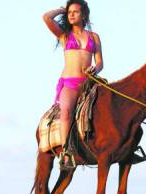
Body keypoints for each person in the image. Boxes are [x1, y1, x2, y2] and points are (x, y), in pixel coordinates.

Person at [42, 0, 103, 170]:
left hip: (89, 83)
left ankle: (123, 146)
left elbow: (100, 62)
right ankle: (66, 153)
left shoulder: (94, 37)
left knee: (111, 104)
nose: (71, 14)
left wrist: (95, 69)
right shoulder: (64, 36)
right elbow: (46, 17)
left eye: (75, 11)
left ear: (84, 14)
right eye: (69, 12)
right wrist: (62, 9)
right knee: (66, 111)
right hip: (70, 83)